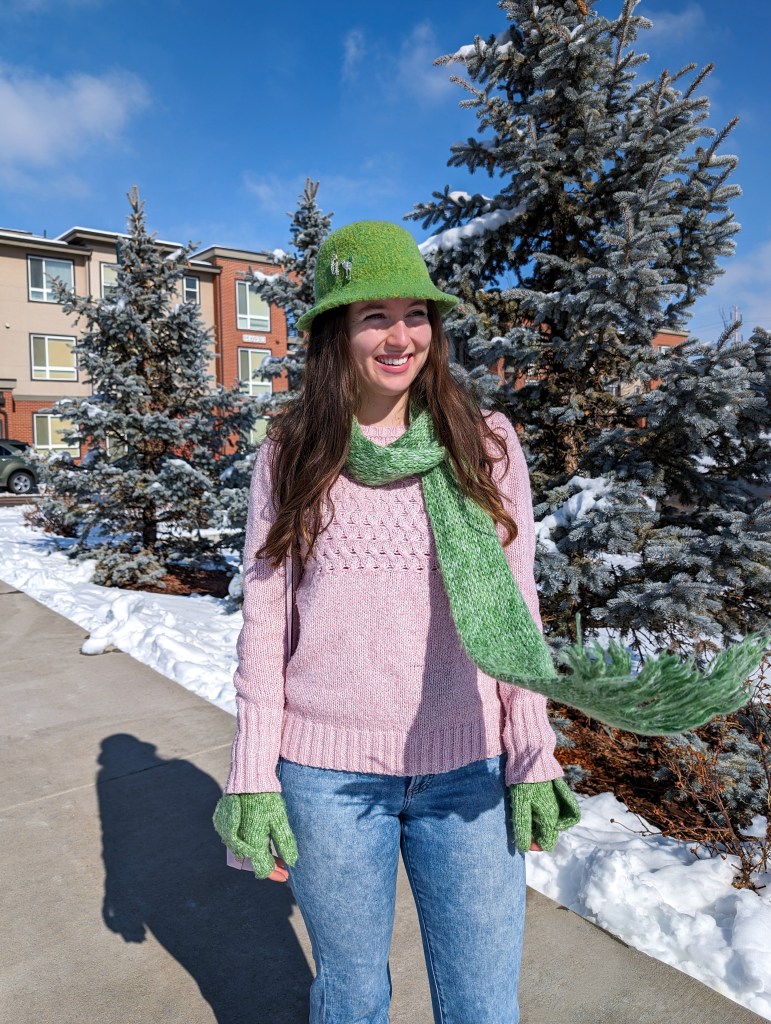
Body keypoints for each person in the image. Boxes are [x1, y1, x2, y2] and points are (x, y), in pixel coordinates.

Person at [214, 220, 581, 1024]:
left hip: (468, 764)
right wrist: (252, 771)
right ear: (335, 333)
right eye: (372, 316)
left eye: (414, 314)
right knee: (350, 997)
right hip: (327, 773)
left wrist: (531, 749)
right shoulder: (293, 448)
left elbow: (517, 609)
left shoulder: (483, 443)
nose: (399, 336)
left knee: (483, 1004)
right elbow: (266, 620)